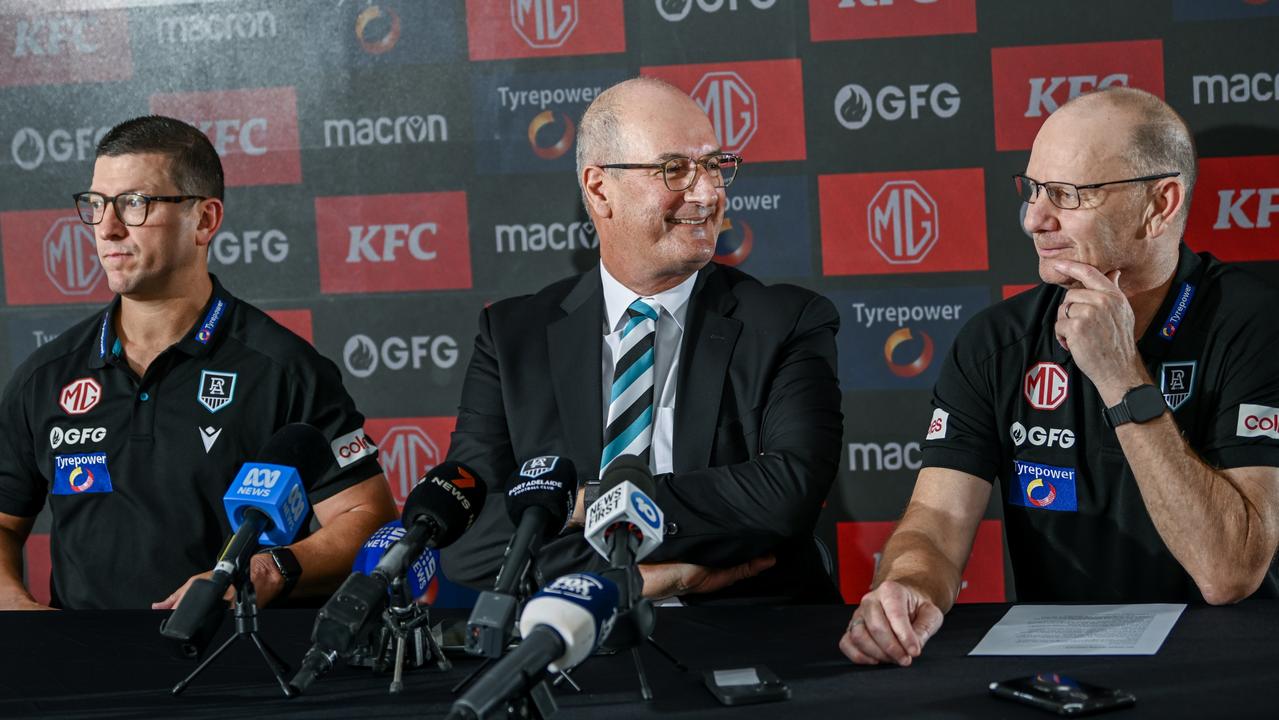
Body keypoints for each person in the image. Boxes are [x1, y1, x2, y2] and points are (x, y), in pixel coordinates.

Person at [839, 87, 1279, 666]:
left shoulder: (1254, 326)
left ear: (1161, 203)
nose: (1033, 219)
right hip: (1060, 671)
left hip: (1225, 671)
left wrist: (1122, 377)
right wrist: (909, 584)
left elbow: (1228, 572)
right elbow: (939, 519)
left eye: (1068, 195)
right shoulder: (996, 342)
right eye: (1034, 189)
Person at [441, 77, 844, 603]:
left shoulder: (788, 321)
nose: (708, 193)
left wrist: (580, 507)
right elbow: (467, 536)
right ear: (599, 188)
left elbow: (785, 497)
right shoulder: (513, 335)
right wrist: (632, 580)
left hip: (751, 635)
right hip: (572, 653)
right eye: (675, 169)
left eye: (715, 165)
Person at [0, 115, 398, 610]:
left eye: (135, 203)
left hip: (235, 668)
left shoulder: (284, 369)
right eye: (97, 204)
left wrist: (264, 573)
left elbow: (368, 518)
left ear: (205, 220)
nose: (108, 228)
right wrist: (14, 605)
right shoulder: (46, 377)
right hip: (86, 674)